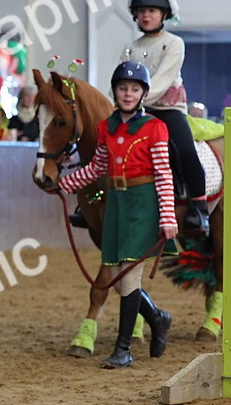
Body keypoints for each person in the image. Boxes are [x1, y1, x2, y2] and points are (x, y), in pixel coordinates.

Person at [58, 61, 177, 369]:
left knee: (128, 274)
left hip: (143, 202)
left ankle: (123, 349)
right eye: (123, 88)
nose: (128, 94)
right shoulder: (106, 128)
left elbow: (164, 174)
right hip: (116, 202)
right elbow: (97, 168)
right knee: (117, 274)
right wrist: (64, 184)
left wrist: (167, 216)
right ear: (115, 91)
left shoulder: (155, 127)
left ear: (143, 94)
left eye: (135, 89)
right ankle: (156, 317)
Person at [121, 0, 209, 235]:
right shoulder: (131, 47)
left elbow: (160, 82)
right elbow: (119, 80)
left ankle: (199, 207)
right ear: (136, 15)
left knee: (184, 150)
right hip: (134, 110)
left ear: (164, 15)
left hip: (166, 109)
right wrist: (118, 102)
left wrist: (133, 101)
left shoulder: (173, 43)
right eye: (142, 11)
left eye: (152, 11)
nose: (146, 15)